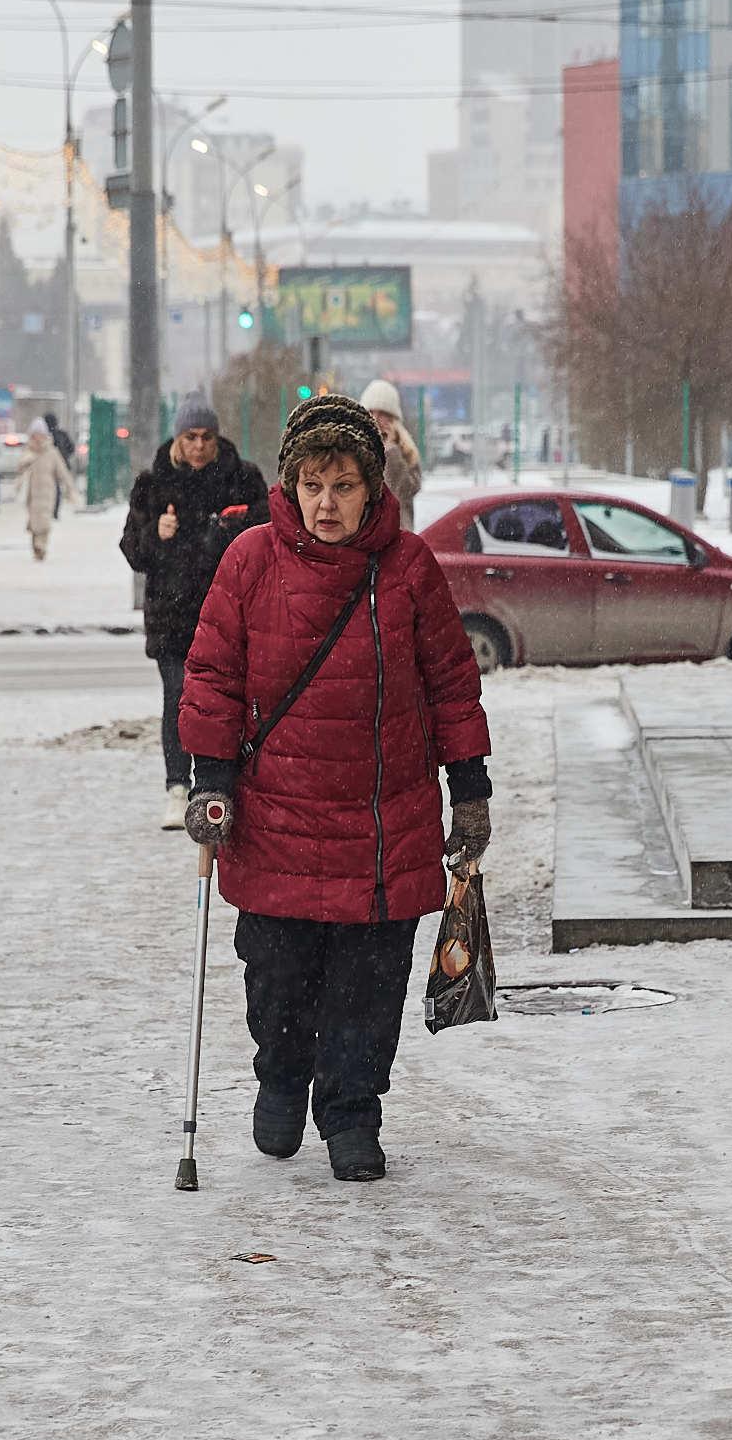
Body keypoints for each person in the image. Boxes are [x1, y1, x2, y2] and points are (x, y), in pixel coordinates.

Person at [176, 393, 491, 1185]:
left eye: (344, 484)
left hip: (383, 820)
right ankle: (281, 1077)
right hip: (278, 818)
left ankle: (352, 1111)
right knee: (277, 975)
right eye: (313, 483)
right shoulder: (250, 560)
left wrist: (471, 785)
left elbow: (452, 681)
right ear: (291, 483)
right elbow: (212, 673)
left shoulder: (409, 568)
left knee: (368, 985)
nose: (327, 503)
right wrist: (210, 779)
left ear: (371, 489)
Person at [119, 401, 268, 829]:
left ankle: (224, 785)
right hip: (172, 617)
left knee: (232, 703)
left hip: (229, 614)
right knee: (180, 697)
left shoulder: (243, 479)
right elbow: (132, 551)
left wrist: (229, 532)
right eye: (191, 438)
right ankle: (177, 787)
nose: (199, 446)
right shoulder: (152, 485)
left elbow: (266, 534)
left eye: (206, 437)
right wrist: (156, 535)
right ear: (178, 439)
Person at [359, 379, 424, 529]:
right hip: (364, 538)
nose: (375, 418)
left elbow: (402, 494)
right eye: (370, 412)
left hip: (397, 537)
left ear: (393, 418)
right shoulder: (355, 449)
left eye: (382, 413)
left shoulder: (405, 452)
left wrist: (391, 453)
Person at [19, 420, 70, 563]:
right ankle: (36, 545)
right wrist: (27, 461)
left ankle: (41, 546)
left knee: (45, 521)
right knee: (34, 521)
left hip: (48, 492)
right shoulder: (28, 451)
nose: (37, 438)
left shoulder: (52, 452)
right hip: (32, 493)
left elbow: (62, 471)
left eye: (39, 434)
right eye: (34, 434)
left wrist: (69, 488)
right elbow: (19, 468)